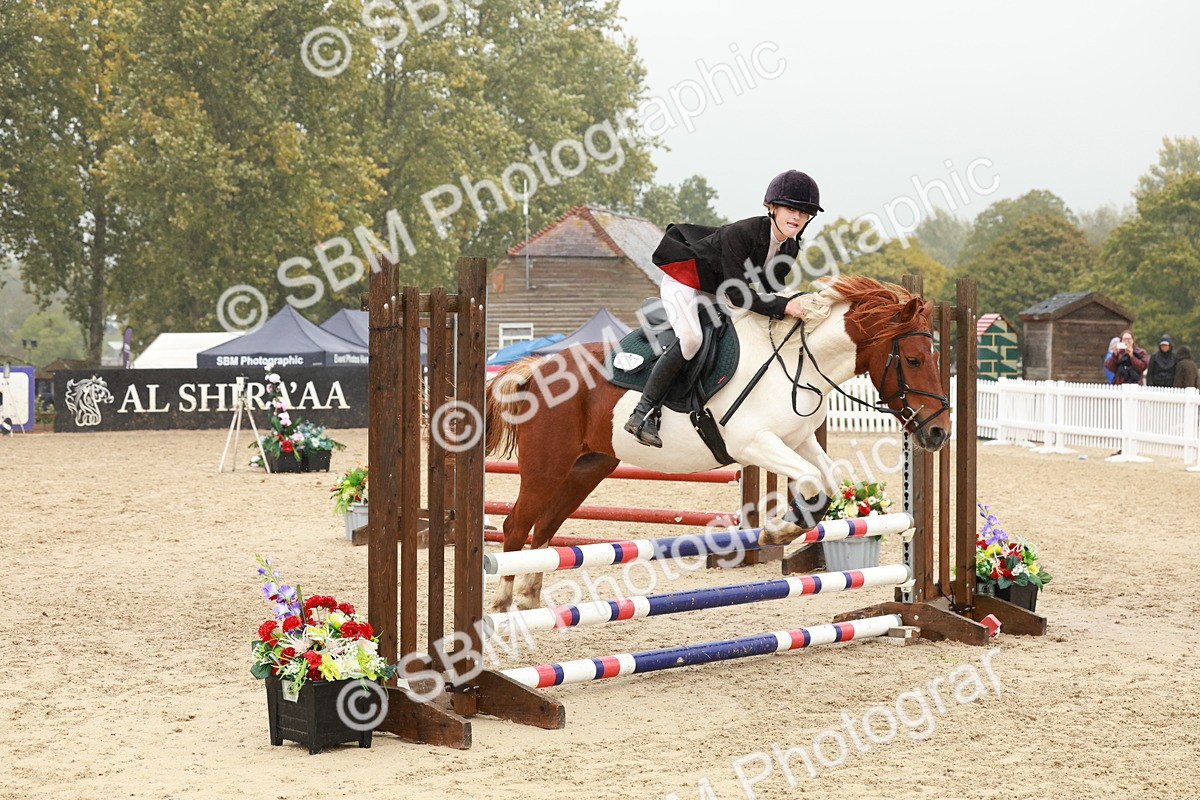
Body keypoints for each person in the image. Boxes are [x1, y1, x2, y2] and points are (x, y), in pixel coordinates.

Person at [623, 170, 822, 447]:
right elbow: (738, 295)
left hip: (716, 290)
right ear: (772, 207)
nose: (797, 217)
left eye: (805, 212)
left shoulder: (789, 247)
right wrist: (786, 305)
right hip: (684, 281)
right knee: (692, 339)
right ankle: (642, 412)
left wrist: (803, 302)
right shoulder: (743, 233)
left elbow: (771, 289)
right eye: (791, 208)